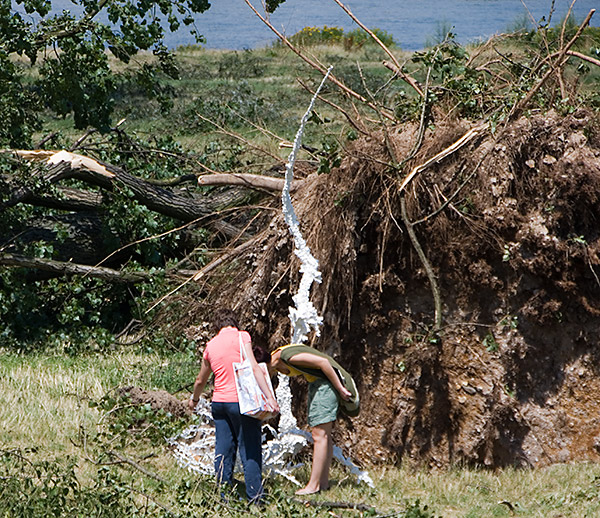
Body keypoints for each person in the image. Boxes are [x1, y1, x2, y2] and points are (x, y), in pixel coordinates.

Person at [188, 309, 279, 504]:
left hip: (219, 404)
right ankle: (255, 498)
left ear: (217, 326)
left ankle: (224, 497)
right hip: (241, 403)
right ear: (234, 323)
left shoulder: (210, 345)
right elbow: (254, 367)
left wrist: (194, 400)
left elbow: (200, 380)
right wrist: (270, 397)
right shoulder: (242, 336)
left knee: (223, 449)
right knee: (250, 449)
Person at [270, 344, 359, 495]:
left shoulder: (288, 356)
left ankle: (313, 485)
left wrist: (340, 388)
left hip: (326, 386)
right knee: (323, 436)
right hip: (317, 385)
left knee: (319, 436)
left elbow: (324, 362)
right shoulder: (280, 355)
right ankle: (322, 483)